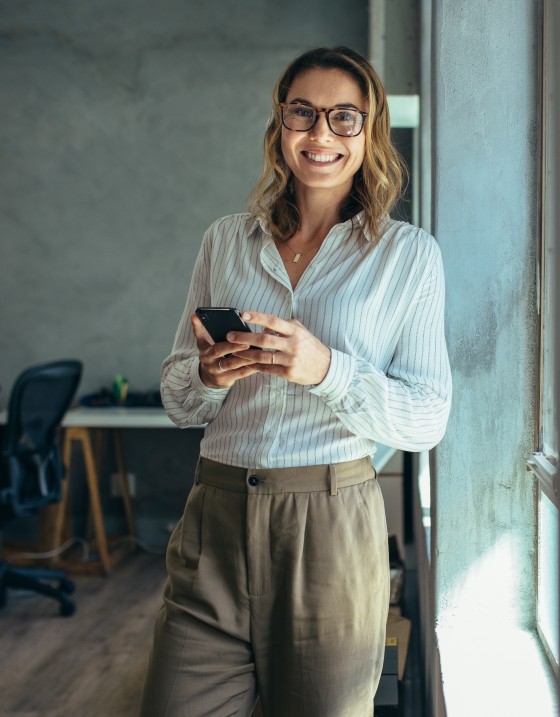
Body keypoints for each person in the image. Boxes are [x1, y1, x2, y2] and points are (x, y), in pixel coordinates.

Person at [139, 46, 451, 717]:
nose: (320, 134)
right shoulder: (225, 240)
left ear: (368, 132)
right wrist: (208, 374)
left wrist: (326, 370)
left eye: (344, 117)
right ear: (278, 126)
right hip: (214, 518)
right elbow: (175, 395)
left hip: (331, 529)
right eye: (301, 113)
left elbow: (427, 417)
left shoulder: (408, 256)